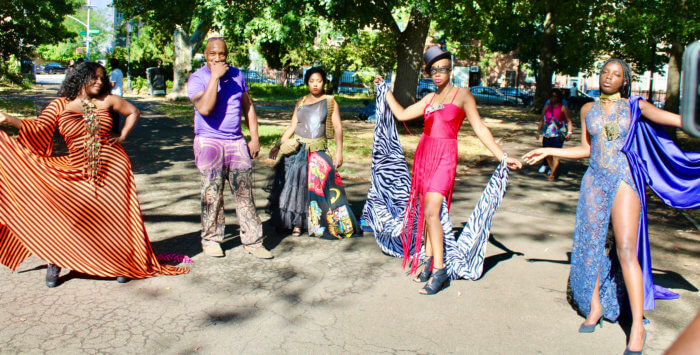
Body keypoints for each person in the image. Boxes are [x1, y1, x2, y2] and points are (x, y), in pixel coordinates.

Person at [523, 58, 699, 354]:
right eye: (605, 72)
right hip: (593, 180)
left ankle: (637, 327)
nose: (608, 77)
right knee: (590, 245)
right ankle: (594, 309)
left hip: (624, 181)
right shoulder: (587, 109)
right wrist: (547, 149)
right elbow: (585, 150)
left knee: (626, 249)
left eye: (616, 74)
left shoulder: (636, 107)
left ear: (625, 81)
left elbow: (679, 121)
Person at [0, 62, 189, 287]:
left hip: (113, 167)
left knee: (114, 216)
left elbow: (133, 112)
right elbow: (38, 128)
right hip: (77, 168)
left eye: (102, 78)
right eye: (94, 77)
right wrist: (8, 120)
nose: (99, 81)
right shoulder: (60, 104)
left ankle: (121, 262)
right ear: (80, 77)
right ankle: (56, 260)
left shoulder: (107, 100)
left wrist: (122, 137)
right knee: (68, 215)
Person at [377, 46, 522, 295]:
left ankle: (440, 271)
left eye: (443, 69)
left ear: (451, 70)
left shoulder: (462, 94)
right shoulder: (429, 99)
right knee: (426, 212)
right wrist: (385, 90)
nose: (438, 73)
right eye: (433, 70)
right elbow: (401, 114)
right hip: (425, 155)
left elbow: (480, 128)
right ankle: (430, 260)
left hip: (445, 157)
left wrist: (502, 156)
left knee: (433, 210)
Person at [187, 37, 273, 259]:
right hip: (209, 141)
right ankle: (211, 240)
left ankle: (253, 241)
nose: (217, 58)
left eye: (222, 54)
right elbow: (204, 108)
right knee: (212, 193)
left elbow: (248, 106)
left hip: (236, 142)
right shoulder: (197, 78)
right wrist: (214, 77)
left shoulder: (237, 74)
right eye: (212, 54)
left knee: (245, 193)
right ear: (205, 54)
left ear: (227, 54)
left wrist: (254, 138)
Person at [266, 67, 361, 239]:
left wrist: (339, 152)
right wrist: (278, 144)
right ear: (307, 83)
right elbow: (292, 126)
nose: (315, 84)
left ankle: (315, 222)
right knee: (296, 187)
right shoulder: (301, 101)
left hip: (318, 152)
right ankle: (296, 223)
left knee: (324, 189)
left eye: (319, 81)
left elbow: (338, 126)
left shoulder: (330, 101)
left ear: (324, 82)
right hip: (298, 152)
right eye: (311, 81)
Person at [536, 88, 573, 180]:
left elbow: (569, 121)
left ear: (559, 97)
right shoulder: (547, 107)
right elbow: (542, 119)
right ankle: (552, 168)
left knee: (556, 154)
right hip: (547, 133)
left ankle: (552, 173)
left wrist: (569, 132)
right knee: (547, 154)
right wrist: (538, 131)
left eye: (555, 96)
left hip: (558, 134)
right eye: (552, 96)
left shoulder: (563, 108)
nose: (553, 98)